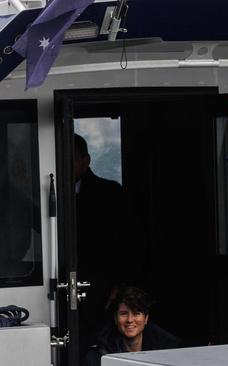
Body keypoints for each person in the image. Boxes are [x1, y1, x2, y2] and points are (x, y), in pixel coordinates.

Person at [74, 134, 145, 350]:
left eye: (74, 159)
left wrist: (119, 285)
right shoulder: (48, 192)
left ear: (86, 160)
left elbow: (130, 243)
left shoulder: (110, 193)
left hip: (102, 289)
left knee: (100, 345)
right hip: (63, 287)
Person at [83, 286, 179, 366]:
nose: (130, 320)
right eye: (124, 313)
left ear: (146, 319)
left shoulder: (167, 350)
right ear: (115, 319)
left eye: (136, 313)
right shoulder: (97, 355)